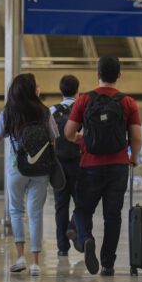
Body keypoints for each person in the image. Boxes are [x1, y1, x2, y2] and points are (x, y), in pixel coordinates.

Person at [0, 73, 58, 276]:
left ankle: (20, 257)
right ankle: (35, 263)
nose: (39, 87)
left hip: (16, 167)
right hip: (40, 169)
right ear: (31, 89)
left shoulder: (8, 112)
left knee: (16, 211)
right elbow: (53, 140)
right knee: (36, 214)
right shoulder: (44, 111)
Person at [64, 55, 142, 276]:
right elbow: (136, 137)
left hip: (90, 166)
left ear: (97, 74)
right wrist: (134, 157)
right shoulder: (128, 102)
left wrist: (81, 139)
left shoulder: (85, 100)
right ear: (119, 75)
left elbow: (68, 133)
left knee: (82, 209)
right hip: (118, 166)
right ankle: (108, 263)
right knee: (113, 216)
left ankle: (87, 238)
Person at [49, 75, 82, 257]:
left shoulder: (51, 111)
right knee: (82, 203)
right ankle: (73, 227)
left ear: (61, 90)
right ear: (78, 89)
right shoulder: (82, 109)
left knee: (60, 206)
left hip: (58, 165)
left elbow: (49, 138)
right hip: (79, 163)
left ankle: (62, 248)